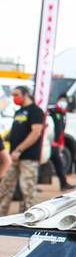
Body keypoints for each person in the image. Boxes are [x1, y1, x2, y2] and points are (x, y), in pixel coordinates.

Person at [1, 86, 45, 215]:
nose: (14, 97)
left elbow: (36, 132)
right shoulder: (19, 112)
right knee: (5, 187)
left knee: (28, 191)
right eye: (13, 95)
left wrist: (19, 150)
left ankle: (29, 219)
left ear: (25, 94)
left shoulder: (36, 111)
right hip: (13, 156)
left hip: (28, 157)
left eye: (16, 94)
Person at [47, 94, 73, 191]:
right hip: (48, 143)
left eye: (64, 101)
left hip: (55, 145)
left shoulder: (63, 115)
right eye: (61, 100)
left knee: (58, 164)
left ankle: (63, 183)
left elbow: (61, 131)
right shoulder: (51, 112)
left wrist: (61, 144)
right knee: (39, 164)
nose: (63, 103)